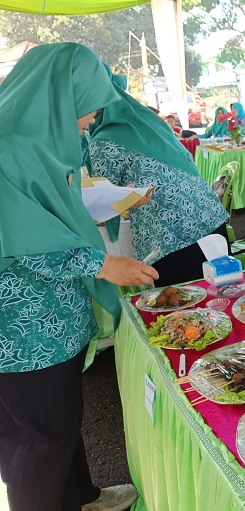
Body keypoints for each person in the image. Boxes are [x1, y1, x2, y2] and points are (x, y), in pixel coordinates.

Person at [0, 42, 158, 511]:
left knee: (60, 426)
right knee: (39, 440)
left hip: (51, 324)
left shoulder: (35, 143)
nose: (91, 121)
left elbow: (53, 212)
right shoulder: (9, 148)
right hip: (26, 334)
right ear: (59, 96)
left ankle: (80, 498)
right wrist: (104, 265)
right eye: (87, 108)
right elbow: (20, 237)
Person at [86, 81, 230, 287]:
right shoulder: (151, 123)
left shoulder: (105, 140)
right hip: (210, 221)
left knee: (183, 309)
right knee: (220, 297)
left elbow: (103, 198)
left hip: (171, 237)